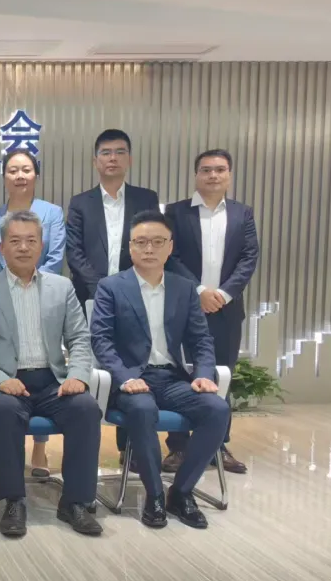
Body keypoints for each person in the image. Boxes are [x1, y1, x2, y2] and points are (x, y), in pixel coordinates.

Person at [0, 211, 103, 538]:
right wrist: (0, 380)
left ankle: (76, 502)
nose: (23, 247)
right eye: (15, 241)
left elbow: (79, 339)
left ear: (42, 246)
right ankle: (14, 501)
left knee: (86, 409)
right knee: (2, 411)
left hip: (53, 382)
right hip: (6, 383)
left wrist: (78, 376)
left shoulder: (62, 288)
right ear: (1, 248)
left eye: (31, 241)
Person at [89, 210, 230, 530]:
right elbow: (101, 342)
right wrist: (125, 378)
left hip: (172, 378)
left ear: (170, 247)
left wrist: (203, 374)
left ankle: (180, 492)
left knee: (217, 409)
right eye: (141, 242)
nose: (149, 249)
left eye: (157, 242)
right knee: (141, 409)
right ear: (130, 247)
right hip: (132, 379)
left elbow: (201, 340)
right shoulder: (111, 287)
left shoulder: (184, 288)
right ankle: (154, 495)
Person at [66, 129, 160, 467]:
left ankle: (129, 447)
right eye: (106, 152)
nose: (113, 158)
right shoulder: (81, 202)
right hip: (92, 297)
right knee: (93, 363)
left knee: (132, 362)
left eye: (120, 152)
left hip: (138, 296)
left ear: (129, 159)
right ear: (95, 160)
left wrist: (126, 289)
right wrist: (104, 289)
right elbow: (74, 252)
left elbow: (153, 244)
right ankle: (86, 443)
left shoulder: (146, 199)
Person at [163, 150, 259, 476]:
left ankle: (218, 444)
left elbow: (249, 257)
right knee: (179, 374)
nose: (213, 175)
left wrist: (223, 294)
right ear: (196, 175)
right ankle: (178, 446)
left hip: (226, 309)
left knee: (221, 374)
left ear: (229, 175)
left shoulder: (242, 214)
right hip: (183, 306)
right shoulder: (176, 212)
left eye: (220, 170)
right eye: (206, 170)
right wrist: (200, 291)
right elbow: (170, 256)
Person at [0, 149, 65, 477]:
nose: (19, 175)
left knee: (42, 364)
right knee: (9, 374)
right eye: (13, 170)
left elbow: (54, 256)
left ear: (35, 175)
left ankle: (39, 448)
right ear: (4, 176)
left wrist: (31, 285)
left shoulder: (52, 213)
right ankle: (8, 460)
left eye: (26, 169)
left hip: (41, 296)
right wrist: (0, 293)